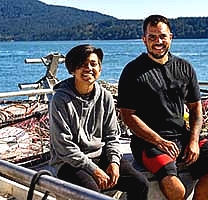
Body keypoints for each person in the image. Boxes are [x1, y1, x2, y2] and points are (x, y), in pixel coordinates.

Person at [117, 15, 208, 200]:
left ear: (171, 37)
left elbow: (195, 109)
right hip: (148, 143)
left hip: (181, 136)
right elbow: (128, 116)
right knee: (176, 189)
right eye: (152, 37)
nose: (158, 41)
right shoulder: (132, 71)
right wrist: (159, 141)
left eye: (162, 36)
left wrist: (193, 141)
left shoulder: (185, 67)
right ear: (144, 39)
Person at [49, 44, 149, 200]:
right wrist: (94, 170)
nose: (88, 68)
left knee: (140, 183)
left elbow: (112, 136)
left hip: (100, 155)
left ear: (100, 69)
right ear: (72, 70)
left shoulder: (105, 97)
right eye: (82, 65)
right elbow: (64, 146)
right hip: (68, 162)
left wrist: (114, 162)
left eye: (93, 64)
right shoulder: (60, 99)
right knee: (92, 193)